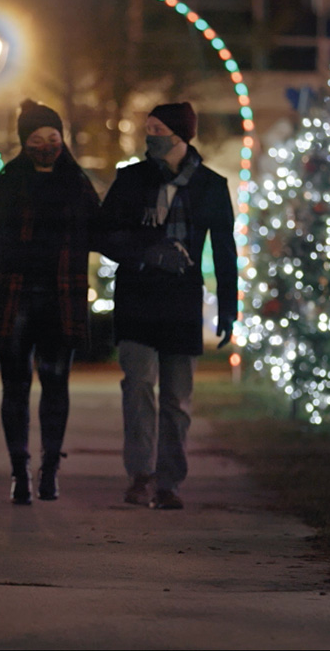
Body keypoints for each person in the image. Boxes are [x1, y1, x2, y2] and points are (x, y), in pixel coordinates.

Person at [0, 100, 101, 505]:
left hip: (61, 296)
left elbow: (102, 230)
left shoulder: (77, 184)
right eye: (37, 140)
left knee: (56, 383)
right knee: (15, 385)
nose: (47, 146)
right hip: (13, 297)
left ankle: (50, 469)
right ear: (24, 142)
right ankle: (20, 471)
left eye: (53, 138)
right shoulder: (4, 184)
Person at [98, 102, 238, 510]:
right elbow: (105, 236)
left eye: (157, 128)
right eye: (148, 128)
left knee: (177, 398)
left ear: (181, 135)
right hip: (137, 301)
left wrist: (228, 308)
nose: (150, 136)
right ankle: (141, 475)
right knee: (138, 386)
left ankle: (170, 482)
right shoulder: (131, 181)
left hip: (181, 303)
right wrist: (148, 251)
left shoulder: (210, 186)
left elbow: (225, 250)